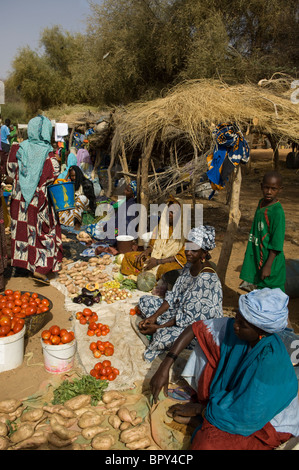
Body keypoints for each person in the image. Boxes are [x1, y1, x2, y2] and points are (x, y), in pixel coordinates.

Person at [149, 288, 299, 450]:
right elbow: (195, 328)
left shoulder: (270, 363)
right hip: (238, 402)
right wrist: (164, 367)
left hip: (266, 420)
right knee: (207, 342)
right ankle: (210, 415)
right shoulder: (238, 331)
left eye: (242, 325)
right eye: (236, 318)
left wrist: (201, 410)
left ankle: (208, 417)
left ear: (261, 331)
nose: (235, 326)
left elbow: (246, 415)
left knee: (208, 444)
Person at [137, 226, 223, 362]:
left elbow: (190, 320)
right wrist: (154, 317)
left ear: (204, 253)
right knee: (144, 301)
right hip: (179, 312)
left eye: (193, 250)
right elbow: (173, 295)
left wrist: (158, 327)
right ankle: (159, 324)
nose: (188, 252)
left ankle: (160, 330)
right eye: (187, 247)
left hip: (196, 328)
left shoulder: (206, 279)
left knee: (161, 337)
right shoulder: (189, 265)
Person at [7, 115, 63, 285]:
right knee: (42, 233)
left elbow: (10, 173)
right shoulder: (50, 155)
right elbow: (55, 175)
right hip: (40, 202)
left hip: (19, 200)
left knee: (21, 233)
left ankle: (21, 265)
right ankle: (40, 268)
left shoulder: (16, 149)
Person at [121, 196, 187, 281]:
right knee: (129, 256)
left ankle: (152, 277)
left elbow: (181, 257)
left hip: (170, 262)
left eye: (172, 212)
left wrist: (158, 262)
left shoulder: (186, 234)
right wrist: (146, 251)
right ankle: (147, 277)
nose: (168, 214)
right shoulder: (160, 227)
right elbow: (152, 244)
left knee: (166, 270)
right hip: (154, 256)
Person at [240, 171, 286, 291]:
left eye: (273, 189)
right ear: (261, 186)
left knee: (272, 290)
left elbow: (277, 242)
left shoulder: (277, 212)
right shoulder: (261, 203)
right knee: (260, 287)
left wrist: (268, 265)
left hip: (270, 259)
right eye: (266, 187)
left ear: (280, 190)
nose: (269, 192)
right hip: (259, 253)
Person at [85, 180, 138, 245]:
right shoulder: (126, 202)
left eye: (128, 191)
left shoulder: (131, 207)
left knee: (90, 229)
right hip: (114, 227)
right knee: (92, 226)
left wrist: (108, 229)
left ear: (133, 195)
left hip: (118, 232)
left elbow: (124, 225)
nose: (124, 191)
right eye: (125, 189)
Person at [58, 165, 96, 231]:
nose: (74, 178)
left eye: (75, 175)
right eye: (72, 176)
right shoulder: (71, 184)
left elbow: (91, 198)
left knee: (80, 198)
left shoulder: (86, 183)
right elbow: (63, 187)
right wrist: (67, 176)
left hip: (85, 203)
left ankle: (77, 223)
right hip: (75, 203)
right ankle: (66, 225)